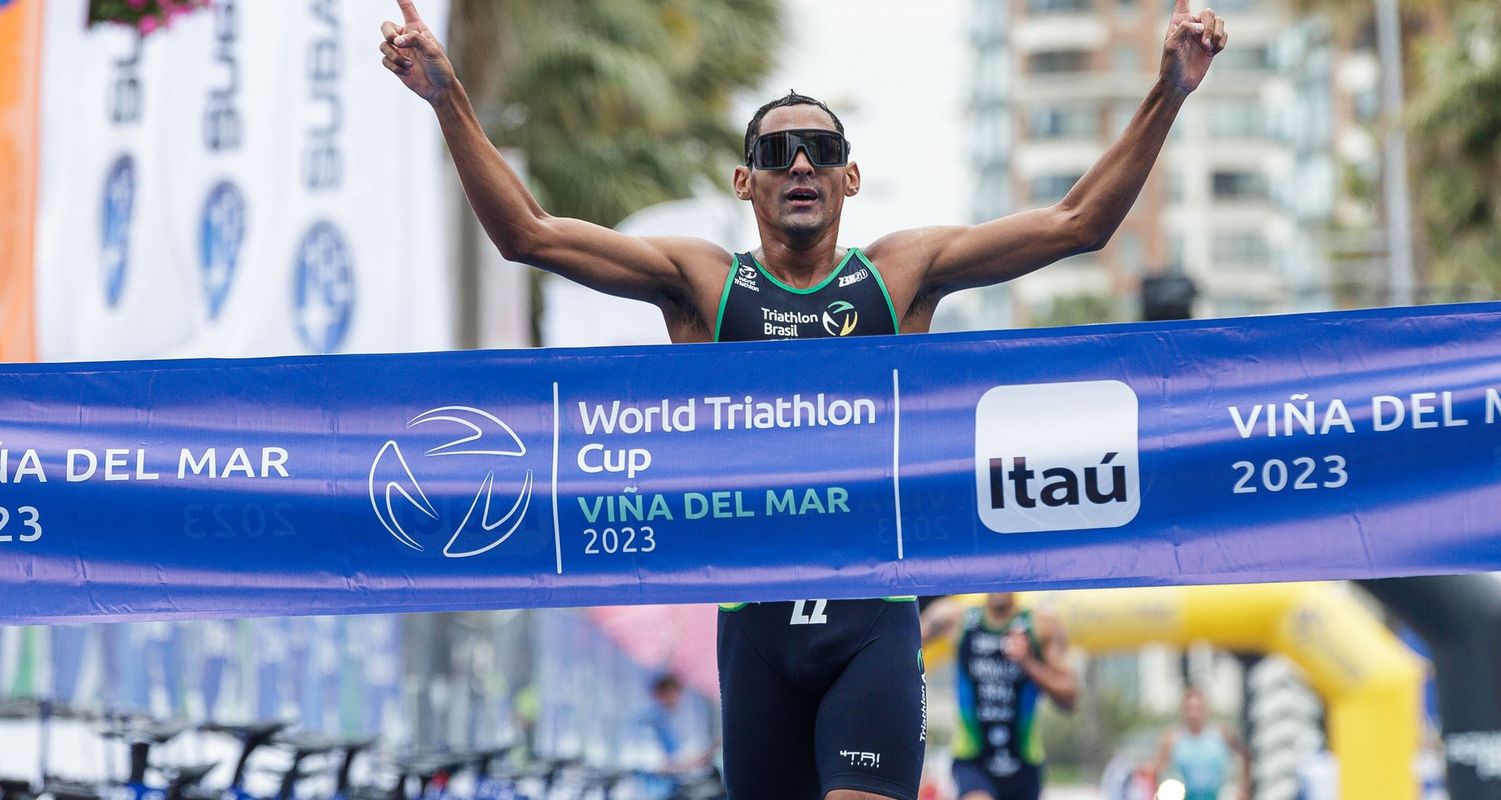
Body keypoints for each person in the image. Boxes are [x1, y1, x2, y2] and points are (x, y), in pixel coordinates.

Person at [378, 1, 1227, 796]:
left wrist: (1168, 91)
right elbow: (527, 234)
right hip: (755, 628)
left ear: (850, 178)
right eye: (776, 154)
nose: (799, 167)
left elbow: (1079, 222)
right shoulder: (703, 284)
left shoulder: (899, 275)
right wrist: (449, 97)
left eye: (819, 150)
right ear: (744, 182)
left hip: (872, 620)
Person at [921, 594, 1078, 800]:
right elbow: (901, 643)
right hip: (972, 757)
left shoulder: (1040, 625)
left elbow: (1070, 697)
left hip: (1024, 760)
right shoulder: (957, 618)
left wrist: (1027, 662)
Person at [1153, 687, 1253, 800]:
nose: (1194, 714)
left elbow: (1246, 757)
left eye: (1198, 709)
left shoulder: (1220, 735)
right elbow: (1157, 771)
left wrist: (1244, 790)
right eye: (1189, 709)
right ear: (1183, 711)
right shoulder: (1173, 739)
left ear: (1205, 710)